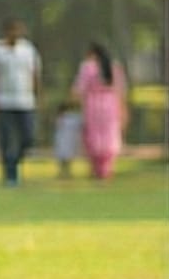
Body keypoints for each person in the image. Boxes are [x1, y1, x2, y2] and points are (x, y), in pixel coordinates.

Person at [0, 19, 42, 186]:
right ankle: (10, 175)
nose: (16, 34)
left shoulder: (28, 50)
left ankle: (14, 161)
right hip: (4, 101)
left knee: (28, 137)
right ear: (6, 32)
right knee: (7, 139)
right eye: (12, 31)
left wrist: (38, 97)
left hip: (25, 101)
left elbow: (35, 75)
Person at [71, 42, 128, 181]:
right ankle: (107, 169)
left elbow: (78, 89)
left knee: (94, 137)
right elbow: (121, 91)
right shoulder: (114, 68)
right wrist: (123, 109)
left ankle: (97, 169)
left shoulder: (87, 67)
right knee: (109, 136)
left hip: (93, 105)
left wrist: (76, 101)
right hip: (111, 105)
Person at [52, 100, 82, 179]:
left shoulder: (71, 117)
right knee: (63, 159)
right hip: (64, 141)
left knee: (67, 158)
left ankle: (66, 172)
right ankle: (63, 172)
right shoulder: (63, 118)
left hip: (67, 141)